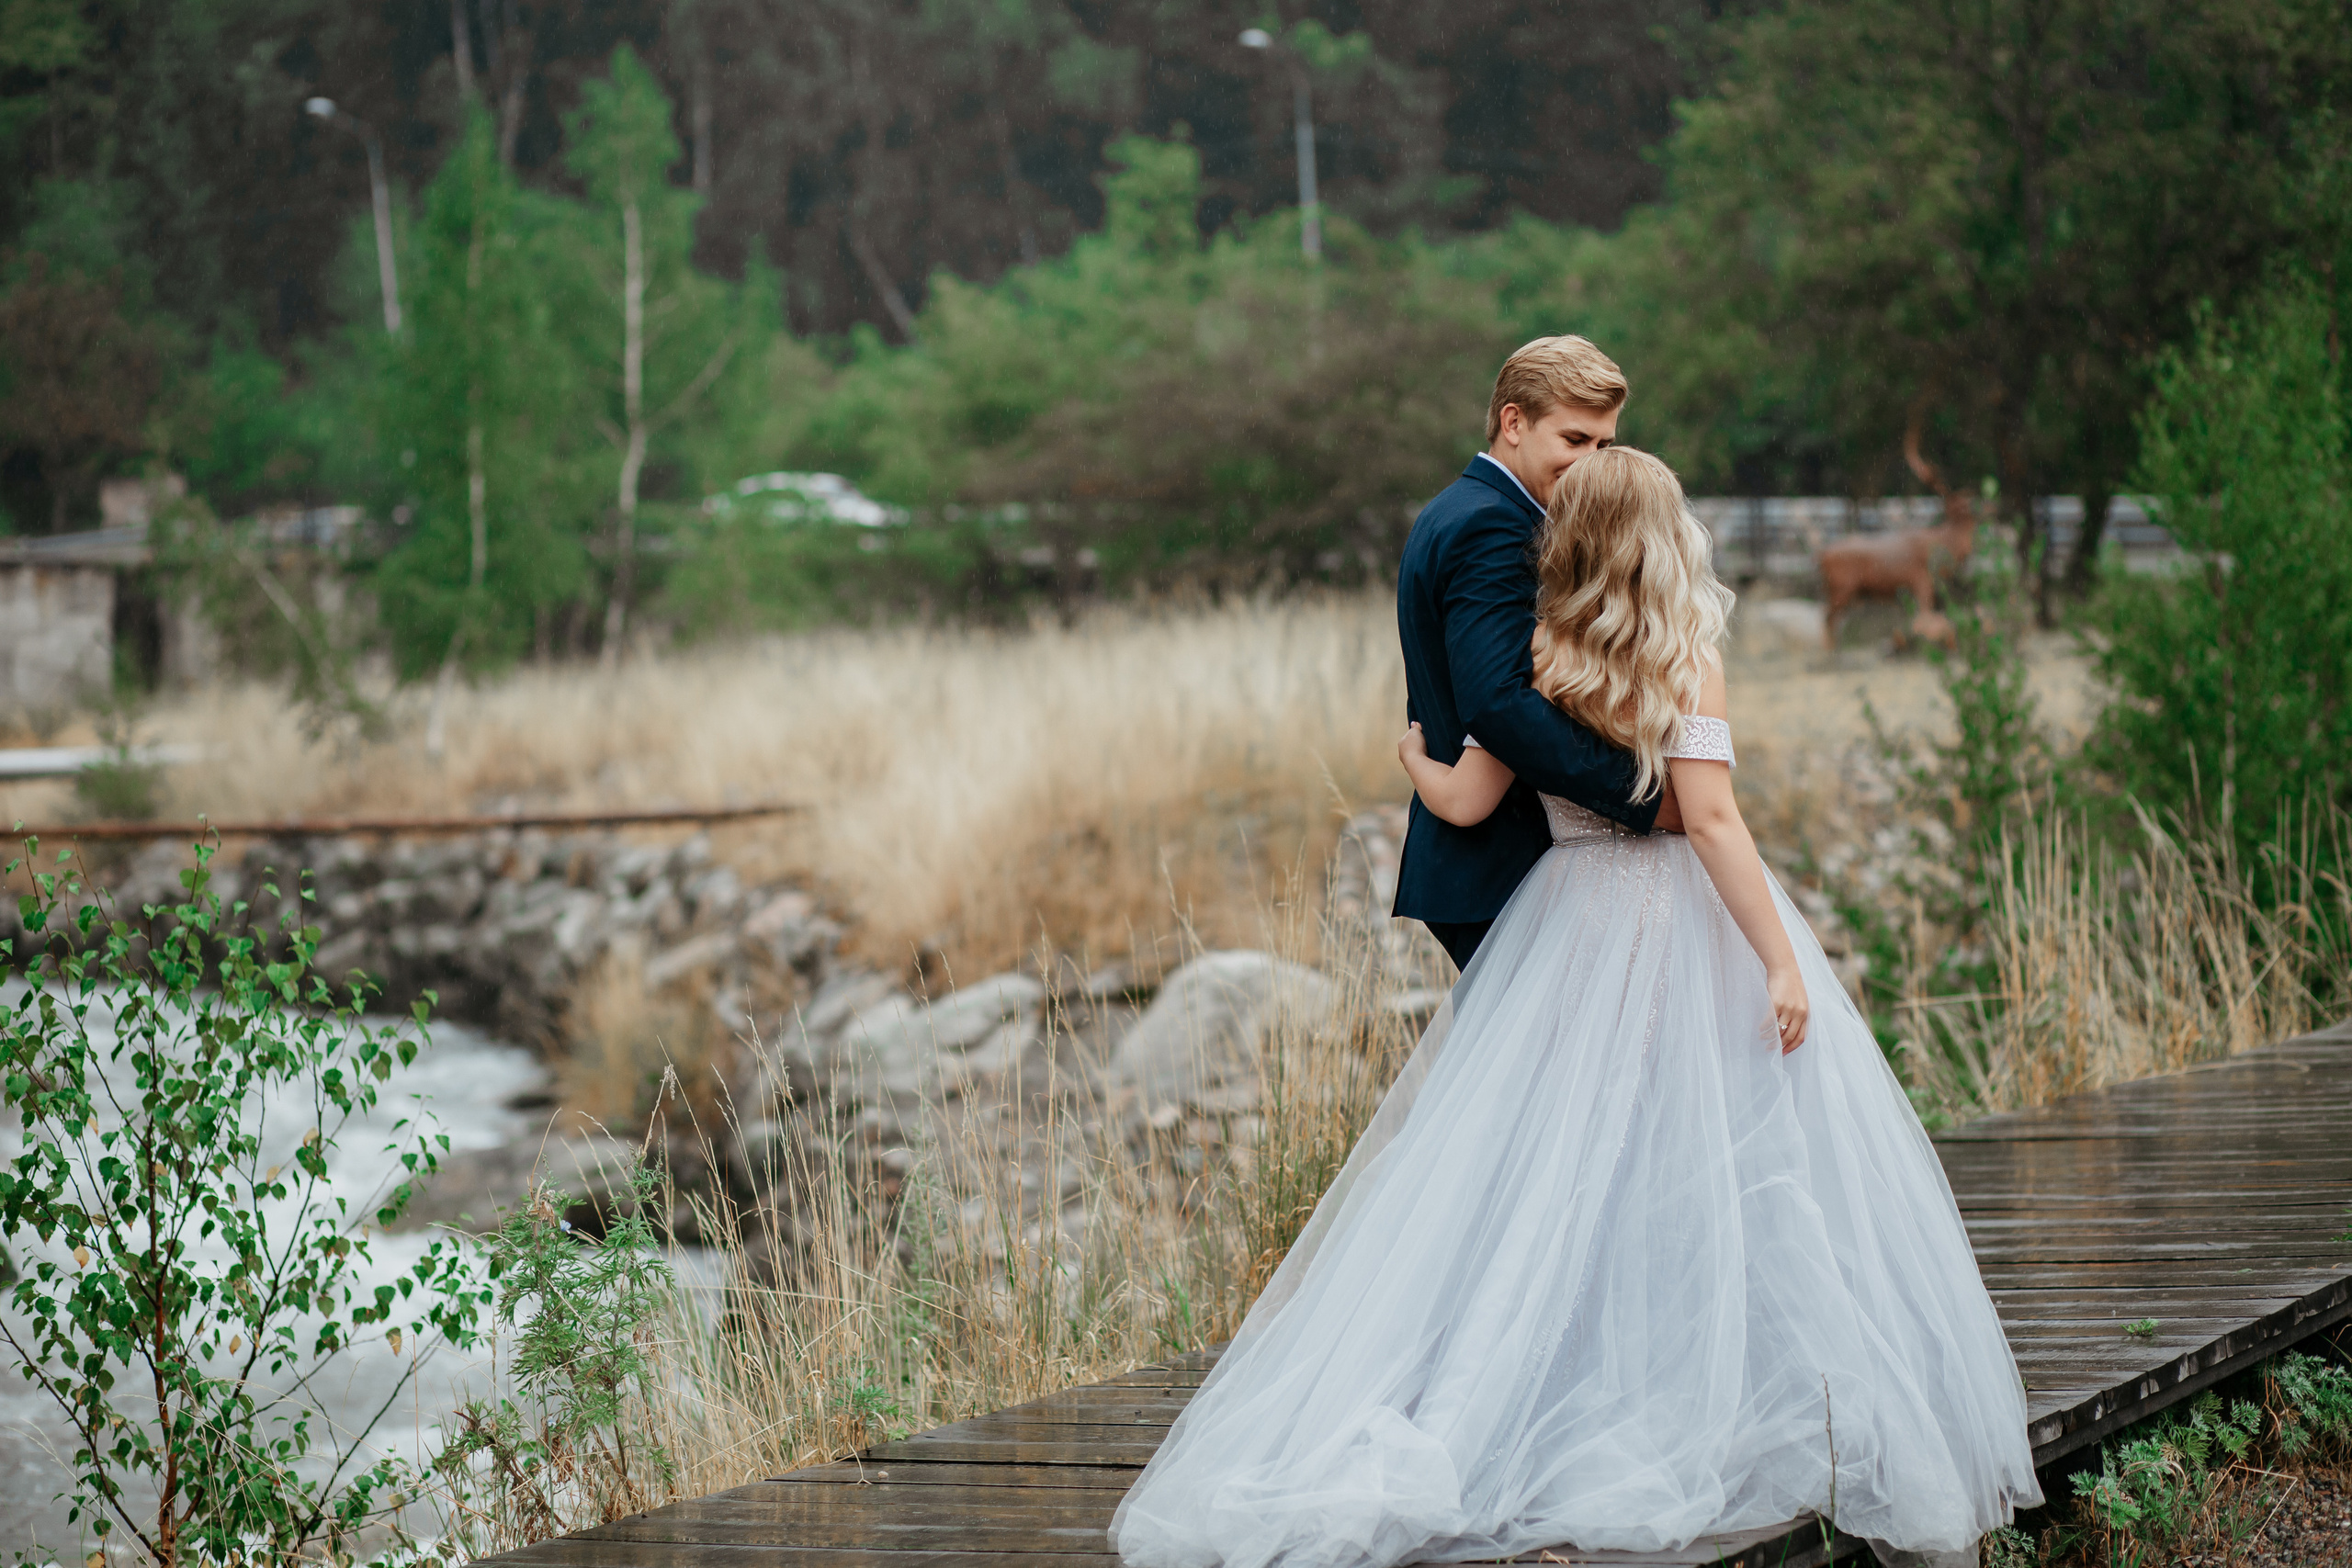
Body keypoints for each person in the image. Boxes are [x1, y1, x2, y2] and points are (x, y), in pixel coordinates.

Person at [1107, 447, 2041, 1568]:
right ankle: (1688, 1379)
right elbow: (1712, 822)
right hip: (1681, 925)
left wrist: (1416, 755)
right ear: (1665, 537)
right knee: (1710, 1147)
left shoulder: (1546, 655)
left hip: (1565, 927)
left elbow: (1463, 791)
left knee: (1555, 1155)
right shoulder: (1687, 655)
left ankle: (1540, 1375)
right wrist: (1782, 961)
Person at [1386, 336, 1679, 976]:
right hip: (1504, 863)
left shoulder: (1456, 509)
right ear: (1513, 422)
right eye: (1575, 441)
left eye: (1604, 445)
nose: (1592, 463)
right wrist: (1645, 798)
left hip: (1482, 860)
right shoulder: (1497, 526)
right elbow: (1498, 701)